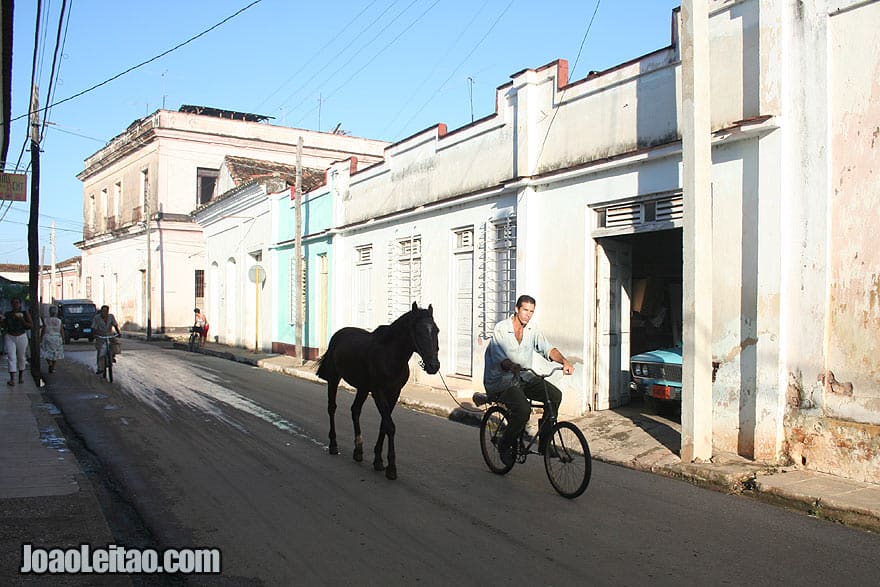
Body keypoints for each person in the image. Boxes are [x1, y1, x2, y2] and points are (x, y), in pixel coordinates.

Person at [483, 294, 574, 466]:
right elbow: (499, 357)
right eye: (525, 310)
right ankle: (504, 443)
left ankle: (545, 443)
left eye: (531, 311)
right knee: (523, 410)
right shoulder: (501, 329)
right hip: (501, 381)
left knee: (554, 396)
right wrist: (510, 365)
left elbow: (547, 348)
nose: (528, 314)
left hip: (524, 377)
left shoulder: (532, 329)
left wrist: (564, 361)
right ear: (517, 309)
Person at [3, 297, 33, 386]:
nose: (15, 305)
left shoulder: (24, 313)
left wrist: (22, 320)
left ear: (20, 304)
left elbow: (30, 325)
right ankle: (12, 379)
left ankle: (21, 377)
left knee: (21, 357)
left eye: (17, 303)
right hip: (10, 336)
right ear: (11, 304)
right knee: (11, 357)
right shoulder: (8, 314)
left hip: (21, 336)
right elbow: (4, 326)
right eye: (13, 303)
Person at [91, 305, 121, 374]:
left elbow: (115, 325)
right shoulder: (97, 318)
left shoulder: (111, 316)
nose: (104, 313)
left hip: (110, 335)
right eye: (103, 311)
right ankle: (100, 368)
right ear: (101, 311)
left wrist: (118, 333)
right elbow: (94, 327)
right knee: (101, 352)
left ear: (108, 311)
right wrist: (94, 335)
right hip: (101, 336)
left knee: (115, 345)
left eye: (106, 311)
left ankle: (112, 356)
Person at [40, 305, 65, 373]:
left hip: (47, 337)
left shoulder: (46, 320)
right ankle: (53, 367)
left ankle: (49, 363)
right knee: (55, 353)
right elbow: (61, 330)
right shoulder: (59, 321)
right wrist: (63, 338)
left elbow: (43, 330)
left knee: (47, 352)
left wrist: (41, 338)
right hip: (57, 338)